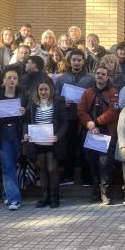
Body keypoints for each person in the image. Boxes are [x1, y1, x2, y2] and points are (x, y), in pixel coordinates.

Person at [78, 65, 121, 204]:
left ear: (108, 76)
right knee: (91, 162)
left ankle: (105, 192)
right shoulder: (87, 92)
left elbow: (113, 112)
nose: (100, 75)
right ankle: (95, 190)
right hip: (90, 132)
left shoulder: (114, 92)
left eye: (103, 74)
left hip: (106, 133)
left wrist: (96, 122)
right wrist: (89, 123)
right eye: (98, 73)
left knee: (105, 163)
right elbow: (81, 110)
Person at [0, 69, 27, 211]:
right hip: (2, 132)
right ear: (4, 80)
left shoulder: (23, 94)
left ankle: (7, 193)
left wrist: (24, 111)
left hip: (17, 132)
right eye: (9, 78)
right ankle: (15, 199)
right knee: (8, 165)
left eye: (14, 78)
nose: (11, 80)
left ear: (17, 80)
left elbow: (30, 112)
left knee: (14, 164)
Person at [24, 80, 68, 208]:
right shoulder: (32, 103)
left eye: (46, 90)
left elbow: (65, 123)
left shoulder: (58, 102)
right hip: (37, 141)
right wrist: (25, 133)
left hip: (53, 141)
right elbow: (26, 121)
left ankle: (55, 196)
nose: (43, 92)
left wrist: (58, 136)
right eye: (40, 90)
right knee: (42, 169)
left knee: (51, 168)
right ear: (37, 92)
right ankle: (45, 196)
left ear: (51, 90)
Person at [54, 50, 95, 185]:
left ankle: (86, 177)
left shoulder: (90, 79)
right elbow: (55, 97)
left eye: (79, 60)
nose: (76, 62)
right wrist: (62, 101)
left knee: (85, 147)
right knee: (69, 147)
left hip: (84, 118)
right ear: (70, 62)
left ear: (83, 61)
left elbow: (95, 96)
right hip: (69, 118)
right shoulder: (62, 79)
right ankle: (68, 176)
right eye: (74, 60)